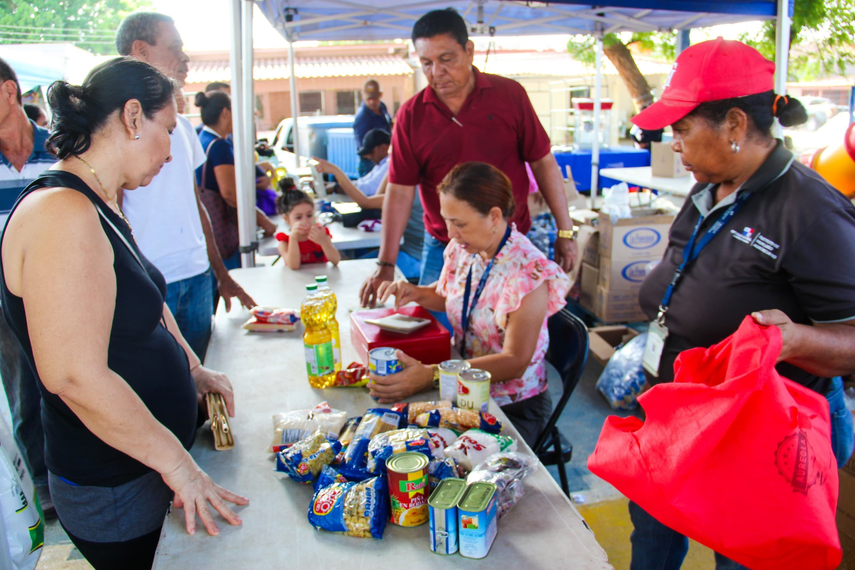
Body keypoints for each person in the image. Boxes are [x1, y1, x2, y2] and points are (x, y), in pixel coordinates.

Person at [0, 57, 249, 569]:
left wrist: (193, 368)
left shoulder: (100, 199)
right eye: (168, 130)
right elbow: (73, 375)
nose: (171, 152)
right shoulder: (60, 214)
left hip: (143, 466)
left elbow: (147, 300)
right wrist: (179, 467)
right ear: (133, 116)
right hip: (115, 485)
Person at [629, 38, 855, 570]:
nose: (674, 144)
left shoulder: (811, 212)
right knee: (654, 535)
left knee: (741, 554)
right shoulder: (708, 186)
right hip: (679, 413)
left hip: (755, 438)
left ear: (733, 125)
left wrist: (795, 339)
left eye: (682, 130)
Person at [359, 8, 576, 308]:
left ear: (469, 51)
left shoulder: (509, 95)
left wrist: (565, 231)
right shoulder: (411, 115)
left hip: (510, 245)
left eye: (446, 60)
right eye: (427, 63)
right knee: (436, 336)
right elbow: (399, 191)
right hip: (444, 248)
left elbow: (542, 162)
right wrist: (385, 264)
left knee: (505, 337)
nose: (437, 73)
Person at [371, 162, 570, 446]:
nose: (450, 233)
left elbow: (514, 362)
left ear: (494, 216)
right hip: (461, 388)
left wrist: (431, 375)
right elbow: (451, 296)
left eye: (459, 223)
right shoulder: (466, 249)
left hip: (510, 406)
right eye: (447, 220)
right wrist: (414, 292)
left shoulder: (528, 272)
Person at [116, 11, 255, 362]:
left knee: (203, 391)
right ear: (140, 51)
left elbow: (195, 204)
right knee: (164, 394)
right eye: (175, 47)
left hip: (197, 276)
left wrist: (221, 273)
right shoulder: (112, 130)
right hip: (148, 285)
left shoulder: (185, 129)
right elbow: (110, 217)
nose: (185, 58)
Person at [0, 57, 57, 515]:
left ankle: (70, 472)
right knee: (23, 392)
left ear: (8, 92)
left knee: (68, 383)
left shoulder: (58, 149)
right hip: (5, 299)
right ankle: (42, 482)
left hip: (61, 294)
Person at [313, 128, 424, 280]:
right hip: (404, 250)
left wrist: (337, 173)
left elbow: (365, 202)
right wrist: (392, 168)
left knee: (353, 273)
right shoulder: (396, 169)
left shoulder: (413, 187)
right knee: (353, 265)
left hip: (415, 257)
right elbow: (376, 197)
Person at [194, 91, 277, 285]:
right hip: (224, 232)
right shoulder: (219, 145)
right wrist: (262, 221)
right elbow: (230, 194)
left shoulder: (203, 138)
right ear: (225, 112)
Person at [275, 188, 340, 269]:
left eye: (309, 215)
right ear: (286, 219)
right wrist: (293, 239)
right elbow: (294, 266)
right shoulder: (285, 242)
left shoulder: (320, 234)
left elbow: (335, 260)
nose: (305, 221)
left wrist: (323, 241)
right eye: (298, 217)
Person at [353, 79, 392, 177]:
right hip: (369, 162)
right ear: (363, 96)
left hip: (383, 158)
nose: (372, 102)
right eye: (368, 99)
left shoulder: (382, 108)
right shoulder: (362, 117)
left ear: (381, 95)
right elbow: (363, 146)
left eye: (375, 98)